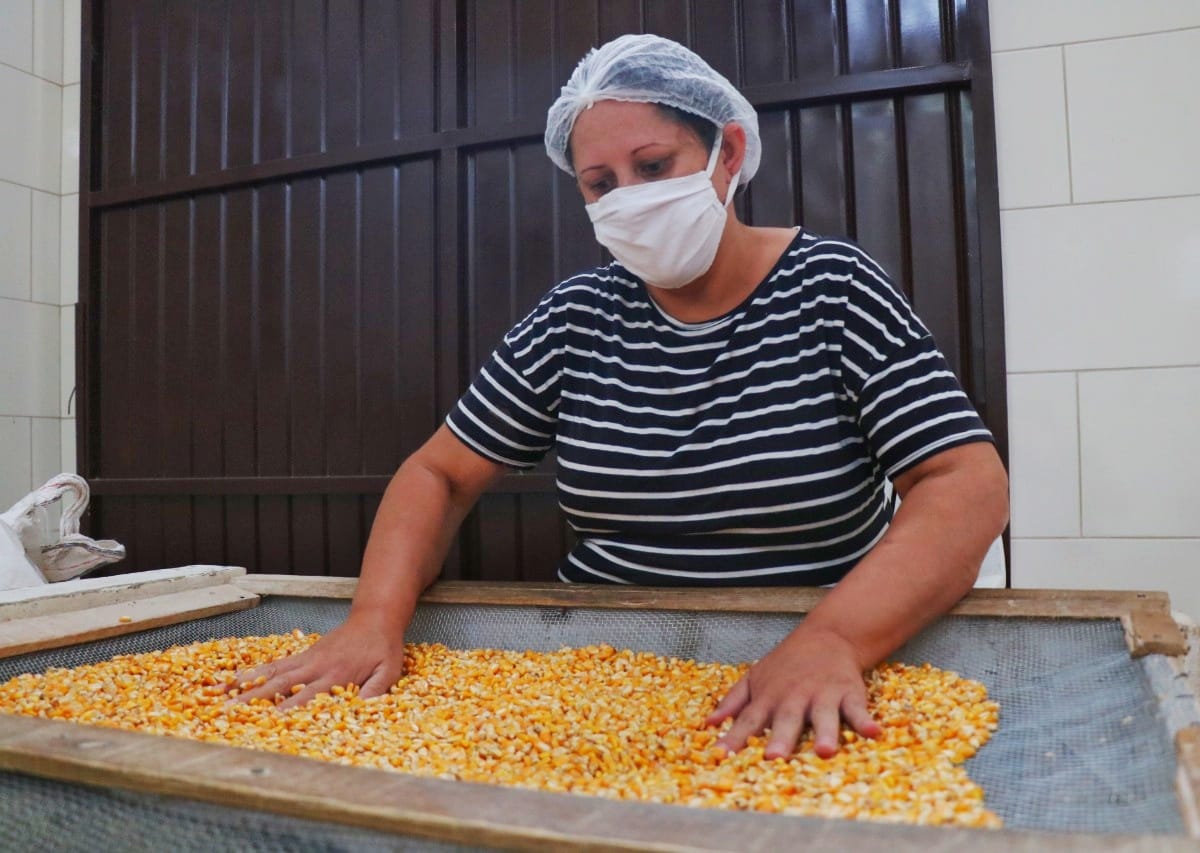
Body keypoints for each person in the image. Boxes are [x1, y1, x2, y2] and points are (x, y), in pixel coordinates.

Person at [235, 34, 1009, 760]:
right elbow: (438, 474)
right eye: (600, 184)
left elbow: (964, 486)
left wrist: (833, 639)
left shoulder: (833, 289)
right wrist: (373, 619)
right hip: (607, 667)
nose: (627, 197)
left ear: (727, 152)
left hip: (817, 659)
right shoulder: (578, 317)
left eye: (652, 165)